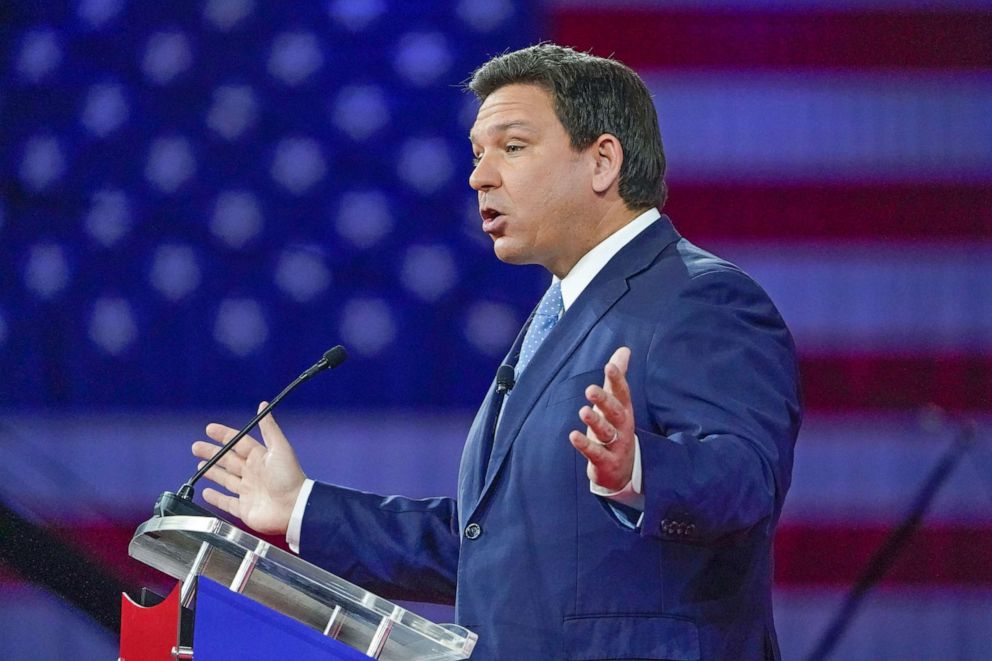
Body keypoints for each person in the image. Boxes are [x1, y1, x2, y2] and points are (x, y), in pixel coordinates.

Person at [192, 44, 801, 660]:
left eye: (512, 147)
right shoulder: (561, 311)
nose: (479, 176)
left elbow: (744, 482)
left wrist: (639, 469)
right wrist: (301, 507)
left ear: (602, 161)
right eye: (478, 153)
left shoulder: (701, 299)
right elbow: (493, 547)